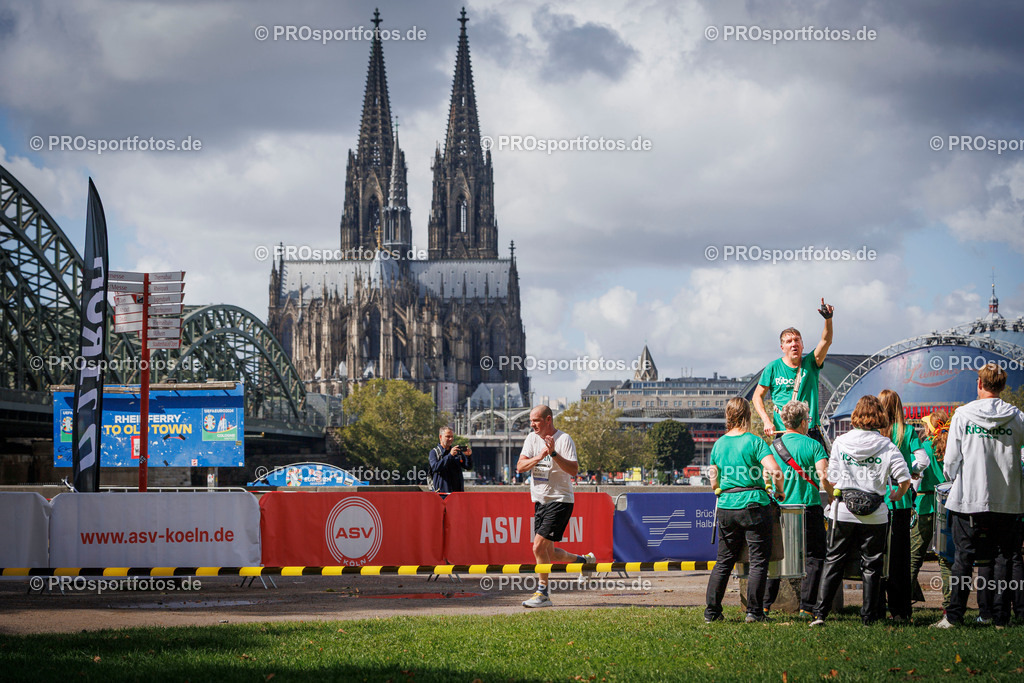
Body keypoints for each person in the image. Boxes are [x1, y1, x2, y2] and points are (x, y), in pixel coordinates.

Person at [933, 363, 1024, 628]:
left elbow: (950, 461)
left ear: (979, 384)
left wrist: (953, 477)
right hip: (1007, 499)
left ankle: (955, 616)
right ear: (1003, 386)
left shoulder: (962, 415)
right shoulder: (1016, 416)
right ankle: (1000, 617)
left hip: (969, 498)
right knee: (1004, 557)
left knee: (963, 557)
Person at [811, 395, 911, 627]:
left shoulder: (841, 441)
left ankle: (820, 614)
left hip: (843, 510)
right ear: (879, 416)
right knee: (872, 565)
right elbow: (904, 477)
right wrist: (897, 494)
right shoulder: (887, 445)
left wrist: (831, 491)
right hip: (875, 513)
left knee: (833, 561)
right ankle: (868, 617)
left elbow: (831, 478)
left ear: (856, 415)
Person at [705, 397, 786, 624]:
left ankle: (712, 612)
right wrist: (780, 491)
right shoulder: (755, 441)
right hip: (753, 505)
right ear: (748, 416)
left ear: (728, 417)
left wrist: (721, 487)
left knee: (724, 560)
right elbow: (775, 471)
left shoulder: (719, 444)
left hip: (726, 506)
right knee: (759, 561)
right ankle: (754, 612)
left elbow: (713, 481)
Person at [516, 405, 594, 608]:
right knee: (549, 553)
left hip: (560, 500)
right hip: (540, 501)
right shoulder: (531, 439)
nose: (532, 425)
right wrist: (540, 456)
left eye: (536, 421)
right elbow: (520, 466)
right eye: (530, 421)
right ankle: (584, 562)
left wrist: (554, 454)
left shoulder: (564, 439)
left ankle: (543, 593)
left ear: (548, 420)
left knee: (538, 546)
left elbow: (574, 470)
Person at [763, 400, 829, 618]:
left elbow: (767, 477)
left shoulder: (774, 447)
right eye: (808, 420)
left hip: (781, 509)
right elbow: (824, 476)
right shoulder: (814, 445)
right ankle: (807, 607)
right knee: (815, 557)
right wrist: (831, 493)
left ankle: (765, 604)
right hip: (808, 507)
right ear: (803, 422)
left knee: (775, 555)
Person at [753, 298, 834, 450]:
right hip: (783, 432)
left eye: (797, 340)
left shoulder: (811, 363)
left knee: (816, 473)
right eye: (789, 341)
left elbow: (826, 341)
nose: (793, 344)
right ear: (782, 347)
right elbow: (757, 396)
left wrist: (828, 320)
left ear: (802, 345)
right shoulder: (772, 368)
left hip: (809, 431)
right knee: (784, 472)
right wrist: (766, 420)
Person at [878, 389, 930, 622]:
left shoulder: (874, 433)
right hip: (901, 501)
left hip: (877, 502)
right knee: (900, 559)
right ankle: (901, 611)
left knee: (877, 557)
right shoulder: (908, 432)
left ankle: (876, 606)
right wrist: (912, 474)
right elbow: (923, 461)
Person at [910, 411, 952, 609]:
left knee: (914, 554)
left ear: (930, 428)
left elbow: (913, 475)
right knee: (946, 557)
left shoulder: (924, 447)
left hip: (925, 504)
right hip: (948, 505)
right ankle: (950, 604)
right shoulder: (952, 447)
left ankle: (903, 601)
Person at [427, 426, 472, 493]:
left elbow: (468, 467)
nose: (450, 439)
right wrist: (450, 455)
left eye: (452, 436)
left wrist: (468, 456)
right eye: (448, 436)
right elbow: (435, 467)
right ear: (440, 437)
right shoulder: (434, 452)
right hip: (442, 494)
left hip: (457, 494)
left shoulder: (457, 452)